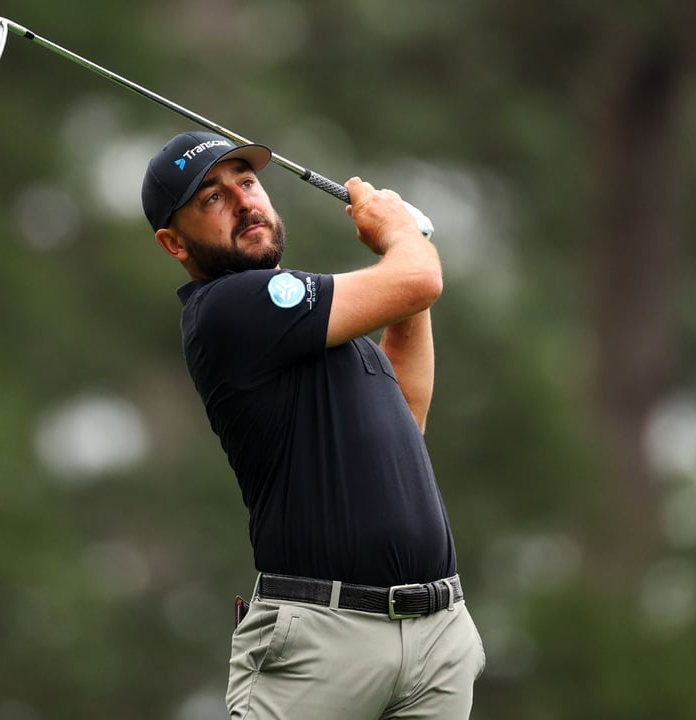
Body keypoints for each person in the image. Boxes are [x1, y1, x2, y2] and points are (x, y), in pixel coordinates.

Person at [142, 131, 484, 719]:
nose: (244, 202)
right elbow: (419, 281)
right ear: (174, 243)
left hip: (436, 635)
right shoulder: (230, 307)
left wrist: (407, 248)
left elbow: (405, 415)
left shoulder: (310, 325)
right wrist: (399, 234)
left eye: (246, 183)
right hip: (321, 641)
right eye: (211, 199)